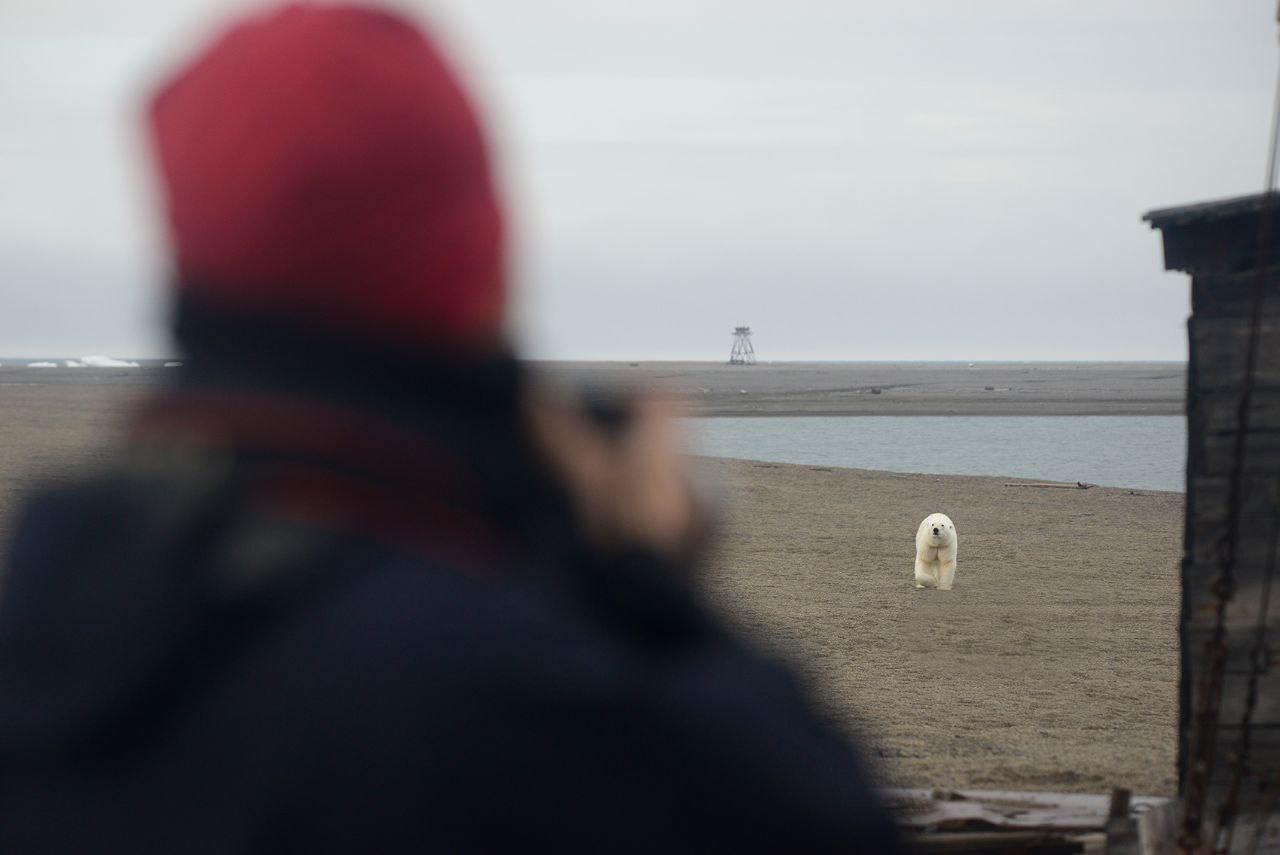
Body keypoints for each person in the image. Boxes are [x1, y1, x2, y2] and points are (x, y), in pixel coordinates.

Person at [0, 4, 901, 850]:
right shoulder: (492, 698)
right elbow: (816, 815)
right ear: (483, 268)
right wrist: (644, 583)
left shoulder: (52, 614)